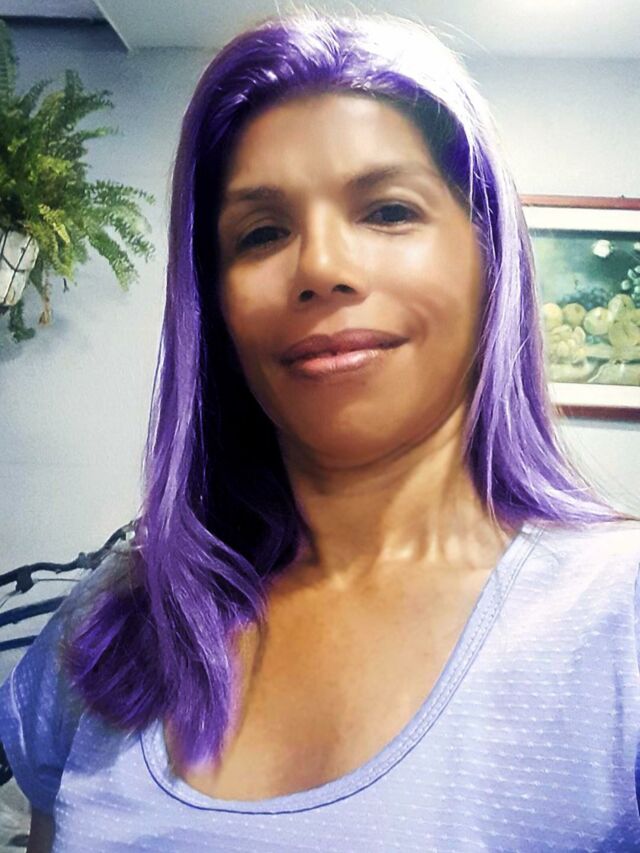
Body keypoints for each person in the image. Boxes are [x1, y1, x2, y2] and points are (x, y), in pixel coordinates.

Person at [2, 9, 640, 852]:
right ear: (215, 304)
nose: (322, 268)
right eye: (262, 232)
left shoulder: (620, 616)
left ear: (490, 261)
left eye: (388, 211)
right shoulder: (116, 619)